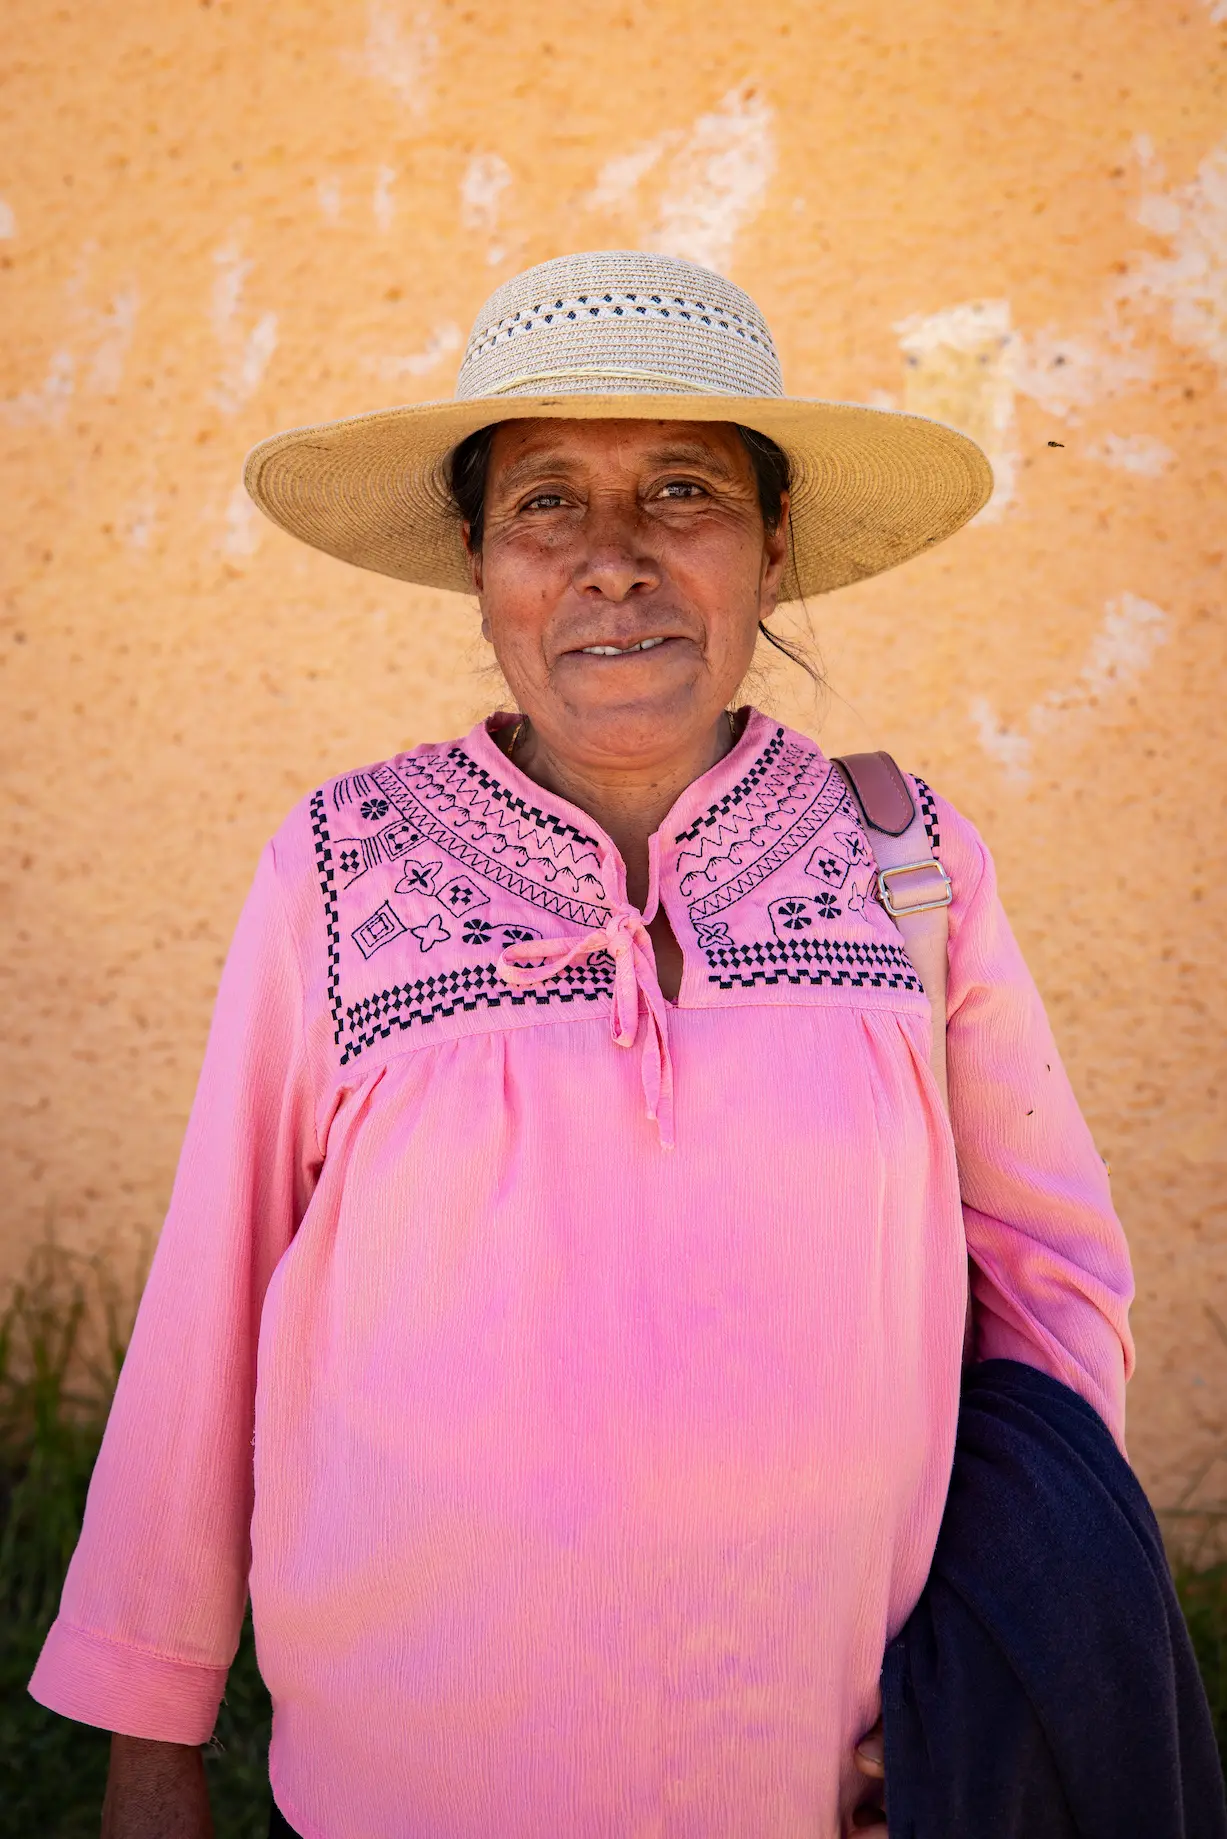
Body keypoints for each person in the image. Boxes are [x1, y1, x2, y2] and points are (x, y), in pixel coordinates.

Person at [29, 250, 1134, 1839]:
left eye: (680, 489)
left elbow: (1049, 1282)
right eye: (547, 502)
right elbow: (217, 1292)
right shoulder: (345, 866)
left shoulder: (908, 863)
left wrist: (1001, 1651)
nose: (612, 560)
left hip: (818, 1771)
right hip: (408, 1773)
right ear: (479, 567)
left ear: (768, 550)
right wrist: (151, 1738)